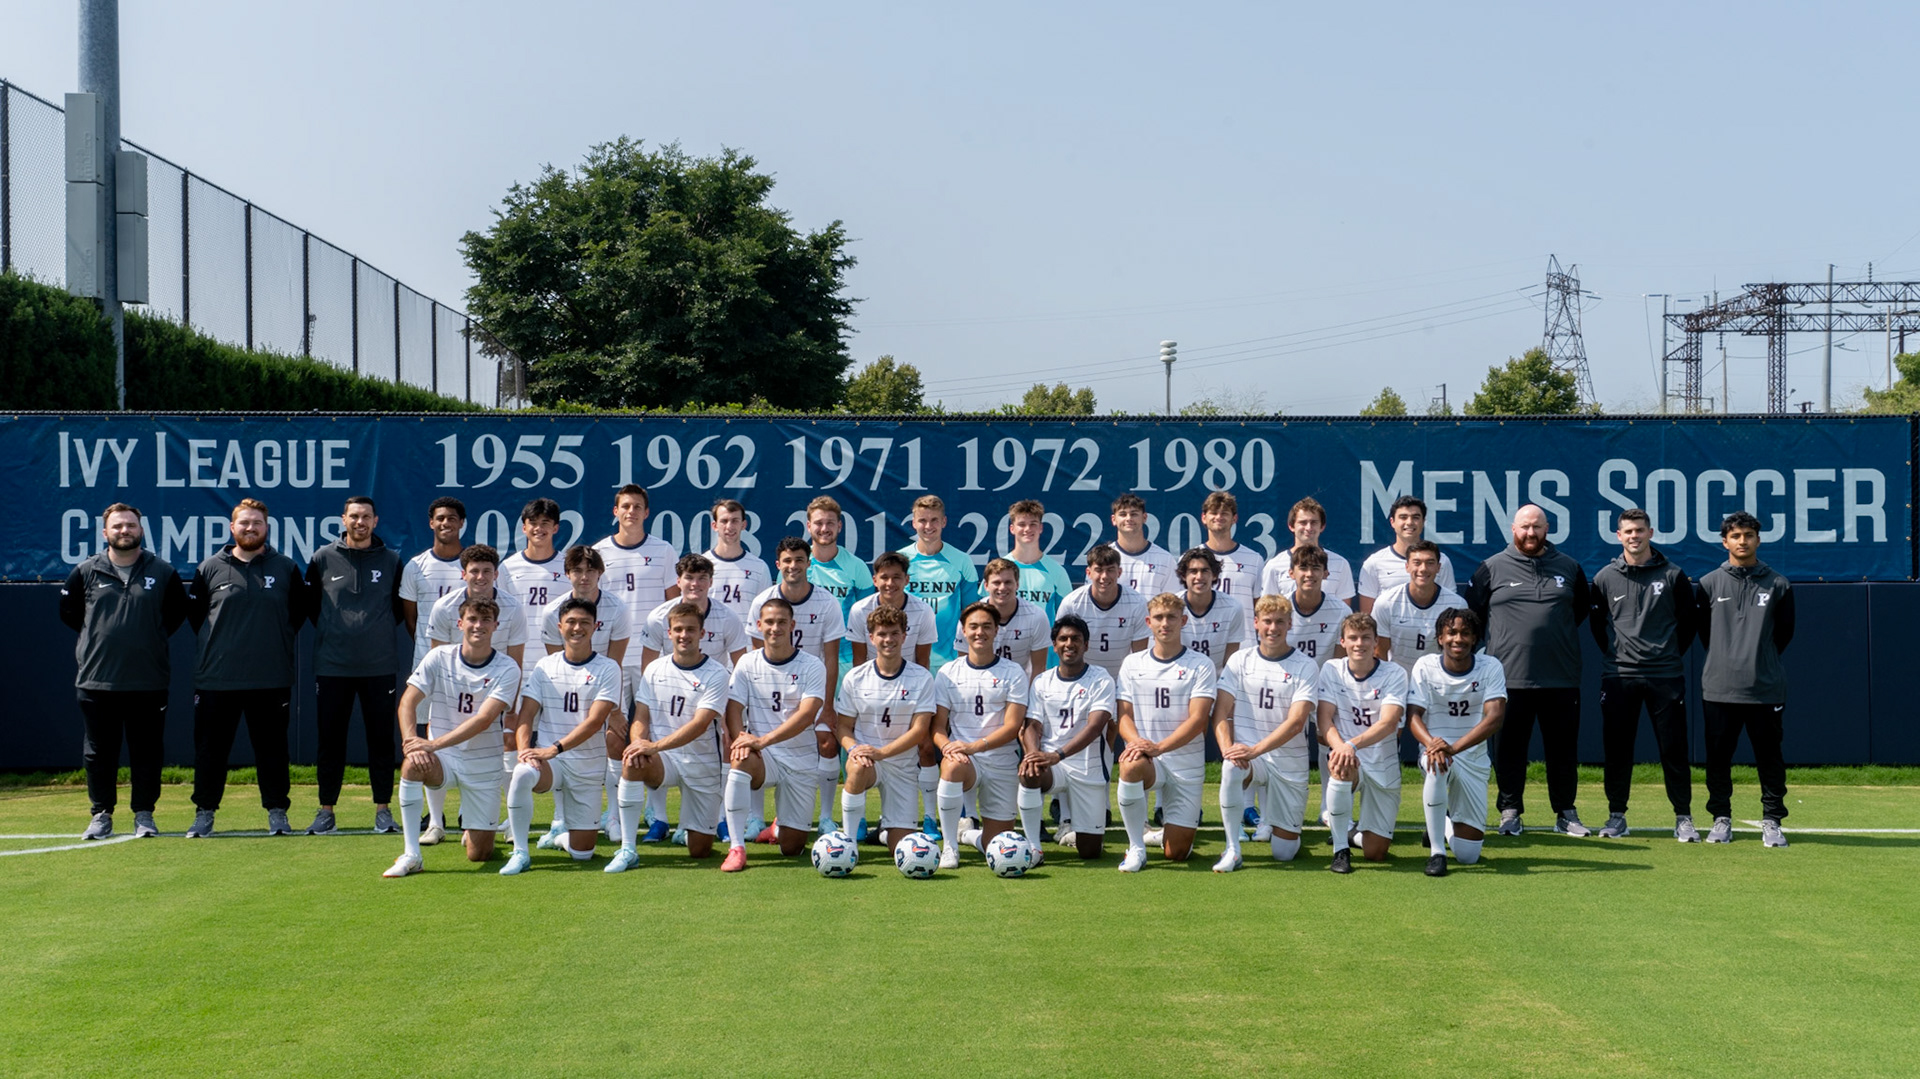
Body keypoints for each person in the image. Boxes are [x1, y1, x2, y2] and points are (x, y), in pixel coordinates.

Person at [59, 503, 188, 840]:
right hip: (97, 680)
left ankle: (144, 814)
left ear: (141, 530)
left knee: (147, 751)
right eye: (117, 526)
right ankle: (101, 814)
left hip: (148, 681)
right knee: (99, 752)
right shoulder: (86, 571)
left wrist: (144, 639)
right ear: (105, 532)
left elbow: (175, 616)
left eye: (130, 525)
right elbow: (70, 613)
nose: (124, 531)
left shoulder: (163, 572)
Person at [185, 498, 311, 839]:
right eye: (244, 522)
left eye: (257, 523)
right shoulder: (209, 567)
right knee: (210, 752)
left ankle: (277, 812)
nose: (250, 528)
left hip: (270, 678)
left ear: (266, 528)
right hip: (216, 679)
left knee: (273, 751)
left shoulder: (285, 568)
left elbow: (297, 614)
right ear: (232, 527)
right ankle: (204, 812)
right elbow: (197, 617)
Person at [1467, 504, 1591, 837]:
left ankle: (1565, 812)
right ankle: (1510, 811)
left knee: (1562, 750)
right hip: (1508, 679)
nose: (1530, 533)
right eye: (1524, 527)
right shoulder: (1491, 568)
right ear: (1513, 529)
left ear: (1547, 528)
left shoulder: (1570, 567)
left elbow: (1579, 611)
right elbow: (1474, 617)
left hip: (1560, 677)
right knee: (1509, 750)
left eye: (1537, 526)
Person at [383, 596, 521, 877]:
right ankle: (412, 855)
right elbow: (407, 702)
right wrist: (411, 743)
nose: (478, 625)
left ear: (496, 626)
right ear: (460, 623)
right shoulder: (439, 657)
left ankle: (475, 830)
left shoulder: (508, 668)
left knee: (479, 854)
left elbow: (484, 720)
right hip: (443, 759)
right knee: (412, 765)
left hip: (483, 765)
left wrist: (432, 743)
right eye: (472, 619)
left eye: (485, 620)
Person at [1589, 507, 1698, 841]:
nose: (1634, 536)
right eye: (1628, 531)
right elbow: (1598, 627)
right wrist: (1619, 655)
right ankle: (1616, 816)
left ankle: (1683, 817)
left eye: (1639, 530)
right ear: (1618, 536)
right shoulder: (1604, 577)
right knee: (1617, 750)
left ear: (1650, 533)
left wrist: (1666, 654)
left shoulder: (1673, 575)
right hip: (1619, 676)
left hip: (1666, 675)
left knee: (1673, 749)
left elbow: (1688, 625)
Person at [303, 495, 404, 836]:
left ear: (376, 521)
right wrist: (337, 632)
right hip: (333, 666)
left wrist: (371, 634)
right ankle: (326, 811)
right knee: (330, 741)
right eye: (354, 516)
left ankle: (383, 810)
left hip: (379, 665)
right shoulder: (322, 558)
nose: (360, 522)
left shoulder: (392, 560)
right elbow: (312, 607)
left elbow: (398, 609)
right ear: (343, 520)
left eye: (366, 517)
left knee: (381, 741)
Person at [500, 597, 623, 875]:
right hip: (551, 762)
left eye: (585, 622)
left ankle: (558, 838)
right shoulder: (544, 666)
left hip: (586, 767)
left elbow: (595, 722)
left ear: (595, 627)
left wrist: (554, 748)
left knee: (582, 854)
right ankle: (520, 852)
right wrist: (525, 751)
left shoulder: (608, 668)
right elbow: (526, 715)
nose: (577, 628)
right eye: (571, 622)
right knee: (522, 773)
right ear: (559, 627)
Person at [1695, 511, 1795, 848]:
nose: (1742, 541)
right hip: (1719, 689)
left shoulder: (1779, 584)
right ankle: (1720, 818)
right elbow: (1705, 634)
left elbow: (1784, 634)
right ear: (1725, 542)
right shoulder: (1708, 583)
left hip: (1765, 689)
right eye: (1735, 536)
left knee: (1769, 758)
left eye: (1748, 535)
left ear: (1758, 540)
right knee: (1718, 758)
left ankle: (1772, 820)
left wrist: (1758, 659)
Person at [610, 603, 732, 871]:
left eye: (690, 629)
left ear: (702, 633)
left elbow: (700, 724)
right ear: (669, 633)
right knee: (633, 761)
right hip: (663, 759)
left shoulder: (717, 673)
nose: (684, 635)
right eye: (678, 629)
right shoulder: (655, 669)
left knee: (700, 851)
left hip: (702, 764)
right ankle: (628, 849)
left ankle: (688, 830)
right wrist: (639, 743)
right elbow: (641, 716)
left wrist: (653, 745)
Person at [425, 544, 529, 844]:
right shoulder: (444, 607)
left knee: (507, 746)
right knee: (436, 751)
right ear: (464, 574)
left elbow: (516, 659)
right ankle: (435, 823)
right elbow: (437, 660)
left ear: (496, 574)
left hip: (495, 690)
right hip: (450, 694)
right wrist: (442, 707)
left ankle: (506, 821)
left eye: (486, 571)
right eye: (474, 571)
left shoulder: (513, 608)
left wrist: (511, 708)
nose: (480, 577)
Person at [1212, 594, 1320, 871]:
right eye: (1268, 621)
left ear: (1290, 624)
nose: (1273, 628)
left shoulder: (1306, 666)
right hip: (1253, 760)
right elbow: (1221, 712)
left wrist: (1254, 750)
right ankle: (1233, 849)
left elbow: (1296, 723)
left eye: (1280, 622)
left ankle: (1280, 825)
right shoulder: (1240, 660)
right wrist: (1228, 751)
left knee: (1284, 853)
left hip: (1288, 764)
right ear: (1256, 623)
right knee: (1231, 766)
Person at [747, 536, 847, 834]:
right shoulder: (762, 602)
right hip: (771, 691)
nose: (793, 566)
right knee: (756, 746)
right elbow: (757, 659)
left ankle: (826, 817)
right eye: (787, 561)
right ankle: (755, 818)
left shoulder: (827, 602)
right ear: (778, 565)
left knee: (827, 741)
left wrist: (827, 705)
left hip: (811, 687)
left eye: (799, 560)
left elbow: (831, 658)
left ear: (809, 564)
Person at [719, 598, 828, 870]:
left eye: (781, 622)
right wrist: (741, 740)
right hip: (763, 756)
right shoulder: (747, 663)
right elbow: (734, 708)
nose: (775, 628)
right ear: (759, 625)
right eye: (769, 622)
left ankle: (778, 827)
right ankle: (736, 847)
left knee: (791, 849)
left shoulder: (812, 665)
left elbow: (807, 715)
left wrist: (761, 740)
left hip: (800, 759)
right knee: (740, 758)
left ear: (792, 625)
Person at [537, 545, 634, 844]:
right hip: (566, 692)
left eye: (590, 570)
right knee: (564, 748)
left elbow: (615, 662)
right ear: (567, 574)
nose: (584, 576)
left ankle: (613, 816)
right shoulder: (552, 612)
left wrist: (613, 711)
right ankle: (560, 819)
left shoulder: (618, 608)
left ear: (600, 573)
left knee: (615, 742)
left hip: (608, 687)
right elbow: (558, 666)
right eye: (577, 570)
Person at [1113, 592, 1217, 873]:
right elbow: (1124, 716)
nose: (1165, 623)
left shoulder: (1201, 664)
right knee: (1130, 764)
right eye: (1158, 617)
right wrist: (1137, 743)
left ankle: (1169, 835)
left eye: (1172, 617)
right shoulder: (1132, 663)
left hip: (1185, 764)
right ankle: (1136, 846)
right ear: (1148, 622)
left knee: (1177, 853)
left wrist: (1159, 747)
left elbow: (1198, 720)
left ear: (1183, 621)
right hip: (1150, 759)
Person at [1406, 608, 1507, 877]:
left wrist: (1454, 748)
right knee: (1436, 765)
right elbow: (1413, 716)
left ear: (1474, 638)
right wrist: (1433, 745)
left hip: (1472, 758)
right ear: (1440, 638)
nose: (1457, 639)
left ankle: (1442, 824)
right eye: (1451, 633)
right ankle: (1437, 853)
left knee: (1468, 856)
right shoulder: (1425, 666)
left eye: (1465, 633)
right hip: (1435, 750)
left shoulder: (1491, 666)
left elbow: (1494, 718)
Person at [933, 602, 1031, 868]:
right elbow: (938, 727)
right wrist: (948, 748)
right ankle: (950, 847)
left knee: (997, 847)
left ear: (997, 630)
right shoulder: (948, 673)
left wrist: (974, 746)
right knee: (951, 765)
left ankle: (969, 836)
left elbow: (1013, 726)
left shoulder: (1013, 672)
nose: (980, 632)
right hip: (966, 760)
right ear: (963, 631)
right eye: (973, 626)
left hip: (1000, 760)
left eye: (987, 626)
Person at [837, 605, 938, 855]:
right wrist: (855, 749)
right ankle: (849, 844)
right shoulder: (855, 677)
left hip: (902, 766)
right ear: (871, 638)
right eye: (882, 634)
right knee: (858, 766)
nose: (888, 639)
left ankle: (883, 833)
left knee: (902, 848)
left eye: (894, 633)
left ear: (904, 636)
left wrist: (881, 752)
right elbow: (843, 727)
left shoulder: (922, 677)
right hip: (867, 760)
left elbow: (920, 731)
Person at [1315, 612, 1407, 873]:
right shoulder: (1331, 669)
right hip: (1348, 758)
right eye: (1353, 638)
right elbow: (1324, 719)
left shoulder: (1395, 673)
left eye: (1366, 637)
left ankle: (1349, 832)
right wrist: (1342, 748)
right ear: (1342, 641)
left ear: (1376, 641)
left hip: (1382, 763)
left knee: (1376, 853)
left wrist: (1351, 744)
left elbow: (1389, 723)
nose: (1359, 643)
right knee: (1341, 765)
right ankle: (1340, 850)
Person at [1019, 615, 1115, 860]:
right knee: (1030, 771)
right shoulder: (1042, 681)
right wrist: (1033, 754)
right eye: (1063, 639)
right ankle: (1033, 848)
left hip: (1088, 769)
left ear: (1086, 645)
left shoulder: (1101, 679)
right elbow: (1031, 725)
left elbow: (1095, 727)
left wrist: (1058, 754)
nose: (1069, 644)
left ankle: (1085, 832)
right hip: (1053, 766)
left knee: (1090, 851)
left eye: (1075, 639)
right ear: (1054, 645)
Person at [899, 494, 979, 671]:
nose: (928, 526)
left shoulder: (962, 561)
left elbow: (972, 614)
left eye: (934, 520)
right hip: (905, 660)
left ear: (944, 522)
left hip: (949, 661)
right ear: (914, 523)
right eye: (922, 520)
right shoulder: (900, 560)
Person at [1371, 540, 1467, 675]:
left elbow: (1460, 652)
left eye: (1430, 563)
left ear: (1439, 567)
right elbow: (1380, 652)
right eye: (1417, 563)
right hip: (1399, 681)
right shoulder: (1386, 603)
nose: (1423, 569)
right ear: (1407, 567)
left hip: (1440, 682)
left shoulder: (1457, 605)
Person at [1055, 544, 1149, 679]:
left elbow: (1139, 657)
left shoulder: (1137, 604)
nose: (1104, 576)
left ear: (1119, 572)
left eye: (1110, 570)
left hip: (1121, 681)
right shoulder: (1072, 604)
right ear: (1088, 573)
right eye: (1098, 570)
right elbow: (1063, 650)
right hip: (1082, 680)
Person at [804, 495, 874, 670]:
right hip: (804, 658)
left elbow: (869, 619)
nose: (824, 528)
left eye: (830, 523)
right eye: (819, 523)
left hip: (845, 660)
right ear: (809, 526)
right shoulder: (795, 565)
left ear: (839, 526)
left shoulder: (856, 566)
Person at [399, 496, 468, 674]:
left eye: (452, 518)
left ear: (461, 523)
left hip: (466, 664)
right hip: (425, 663)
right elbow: (411, 620)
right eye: (440, 518)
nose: (445, 523)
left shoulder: (474, 567)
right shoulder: (415, 567)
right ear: (431, 523)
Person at [1356, 495, 1456, 614]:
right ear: (1392, 522)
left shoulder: (1442, 561)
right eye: (1403, 517)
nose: (1409, 522)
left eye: (1415, 517)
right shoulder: (1374, 563)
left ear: (1423, 522)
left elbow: (1451, 608)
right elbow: (1367, 618)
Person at [499, 498, 568, 655]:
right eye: (533, 523)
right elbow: (503, 615)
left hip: (558, 657)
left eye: (545, 523)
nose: (538, 528)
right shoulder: (507, 568)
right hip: (519, 657)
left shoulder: (569, 566)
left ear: (555, 528)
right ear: (524, 528)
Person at [960, 558, 1051, 676]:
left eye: (1008, 582)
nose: (1002, 588)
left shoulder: (1036, 616)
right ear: (986, 586)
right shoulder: (970, 617)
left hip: (1019, 682)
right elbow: (963, 666)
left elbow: (1039, 667)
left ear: (1017, 585)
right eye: (996, 583)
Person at [848, 551, 937, 668]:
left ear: (907, 580)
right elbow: (859, 660)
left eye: (896, 577)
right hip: (871, 677)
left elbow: (923, 661)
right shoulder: (859, 610)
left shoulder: (924, 611)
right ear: (875, 581)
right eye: (884, 577)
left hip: (911, 677)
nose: (890, 583)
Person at [1260, 497, 1357, 604]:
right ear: (1291, 526)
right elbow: (1268, 608)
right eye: (1303, 522)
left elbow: (1344, 610)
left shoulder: (1340, 564)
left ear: (1322, 526)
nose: (1308, 528)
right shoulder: (1274, 566)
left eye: (1314, 522)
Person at [704, 499, 772, 626]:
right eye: (724, 521)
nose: (729, 527)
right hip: (711, 637)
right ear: (714, 526)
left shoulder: (759, 567)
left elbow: (766, 613)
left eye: (735, 521)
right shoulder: (702, 565)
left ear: (743, 525)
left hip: (746, 638)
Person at [1006, 498, 1074, 619]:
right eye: (1022, 524)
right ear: (1012, 529)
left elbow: (1068, 617)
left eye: (1033, 524)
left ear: (1040, 528)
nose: (1027, 529)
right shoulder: (999, 569)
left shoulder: (1057, 571)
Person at [1199, 491, 1263, 616]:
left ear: (1234, 518)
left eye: (1224, 513)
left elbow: (1260, 608)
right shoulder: (1191, 560)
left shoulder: (1254, 560)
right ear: (1204, 518)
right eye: (1213, 513)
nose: (1219, 517)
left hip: (1242, 629)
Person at [1176, 547, 1244, 665]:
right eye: (1193, 571)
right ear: (1183, 576)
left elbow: (1230, 663)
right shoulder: (1172, 607)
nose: (1199, 577)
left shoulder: (1233, 608)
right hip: (1180, 675)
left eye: (1205, 571)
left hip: (1218, 676)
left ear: (1214, 575)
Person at [1109, 493, 1175, 598]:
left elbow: (1173, 601)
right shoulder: (1104, 558)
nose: (1128, 518)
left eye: (1134, 514)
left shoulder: (1165, 559)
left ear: (1144, 517)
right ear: (1113, 520)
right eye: (1123, 514)